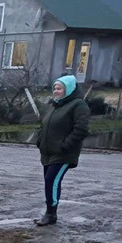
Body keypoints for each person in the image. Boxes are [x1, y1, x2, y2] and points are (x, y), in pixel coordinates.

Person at [34, 75, 89, 226]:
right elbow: (43, 125)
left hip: (63, 154)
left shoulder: (78, 105)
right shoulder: (55, 105)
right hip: (48, 152)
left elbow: (81, 129)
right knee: (49, 182)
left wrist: (65, 145)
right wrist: (39, 140)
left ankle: (50, 213)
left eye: (59, 89)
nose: (56, 91)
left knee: (51, 180)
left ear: (68, 89)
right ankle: (51, 213)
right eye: (55, 88)